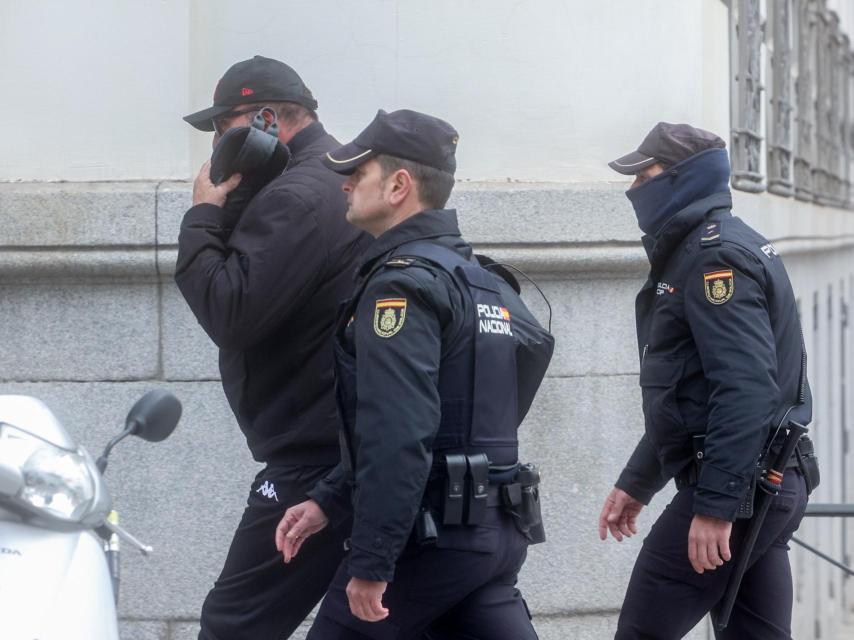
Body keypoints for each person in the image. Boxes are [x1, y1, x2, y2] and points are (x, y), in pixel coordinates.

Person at [273, 109, 554, 639]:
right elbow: (528, 357)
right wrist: (329, 499)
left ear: (399, 185)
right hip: (493, 531)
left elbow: (397, 430)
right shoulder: (481, 280)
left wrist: (373, 561)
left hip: (428, 542)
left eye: (359, 170)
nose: (346, 181)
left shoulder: (400, 287)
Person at [174, 55, 369, 640]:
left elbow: (230, 311)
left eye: (222, 127)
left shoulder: (298, 196)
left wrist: (205, 211)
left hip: (313, 457)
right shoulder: (334, 177)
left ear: (263, 120)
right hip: (347, 445)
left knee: (235, 622)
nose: (216, 144)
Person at [598, 122, 818, 639]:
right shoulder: (712, 248)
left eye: (642, 175)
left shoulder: (714, 259)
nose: (632, 190)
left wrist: (718, 507)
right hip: (769, 482)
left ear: (679, 179)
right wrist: (639, 480)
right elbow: (686, 395)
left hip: (742, 490)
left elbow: (745, 389)